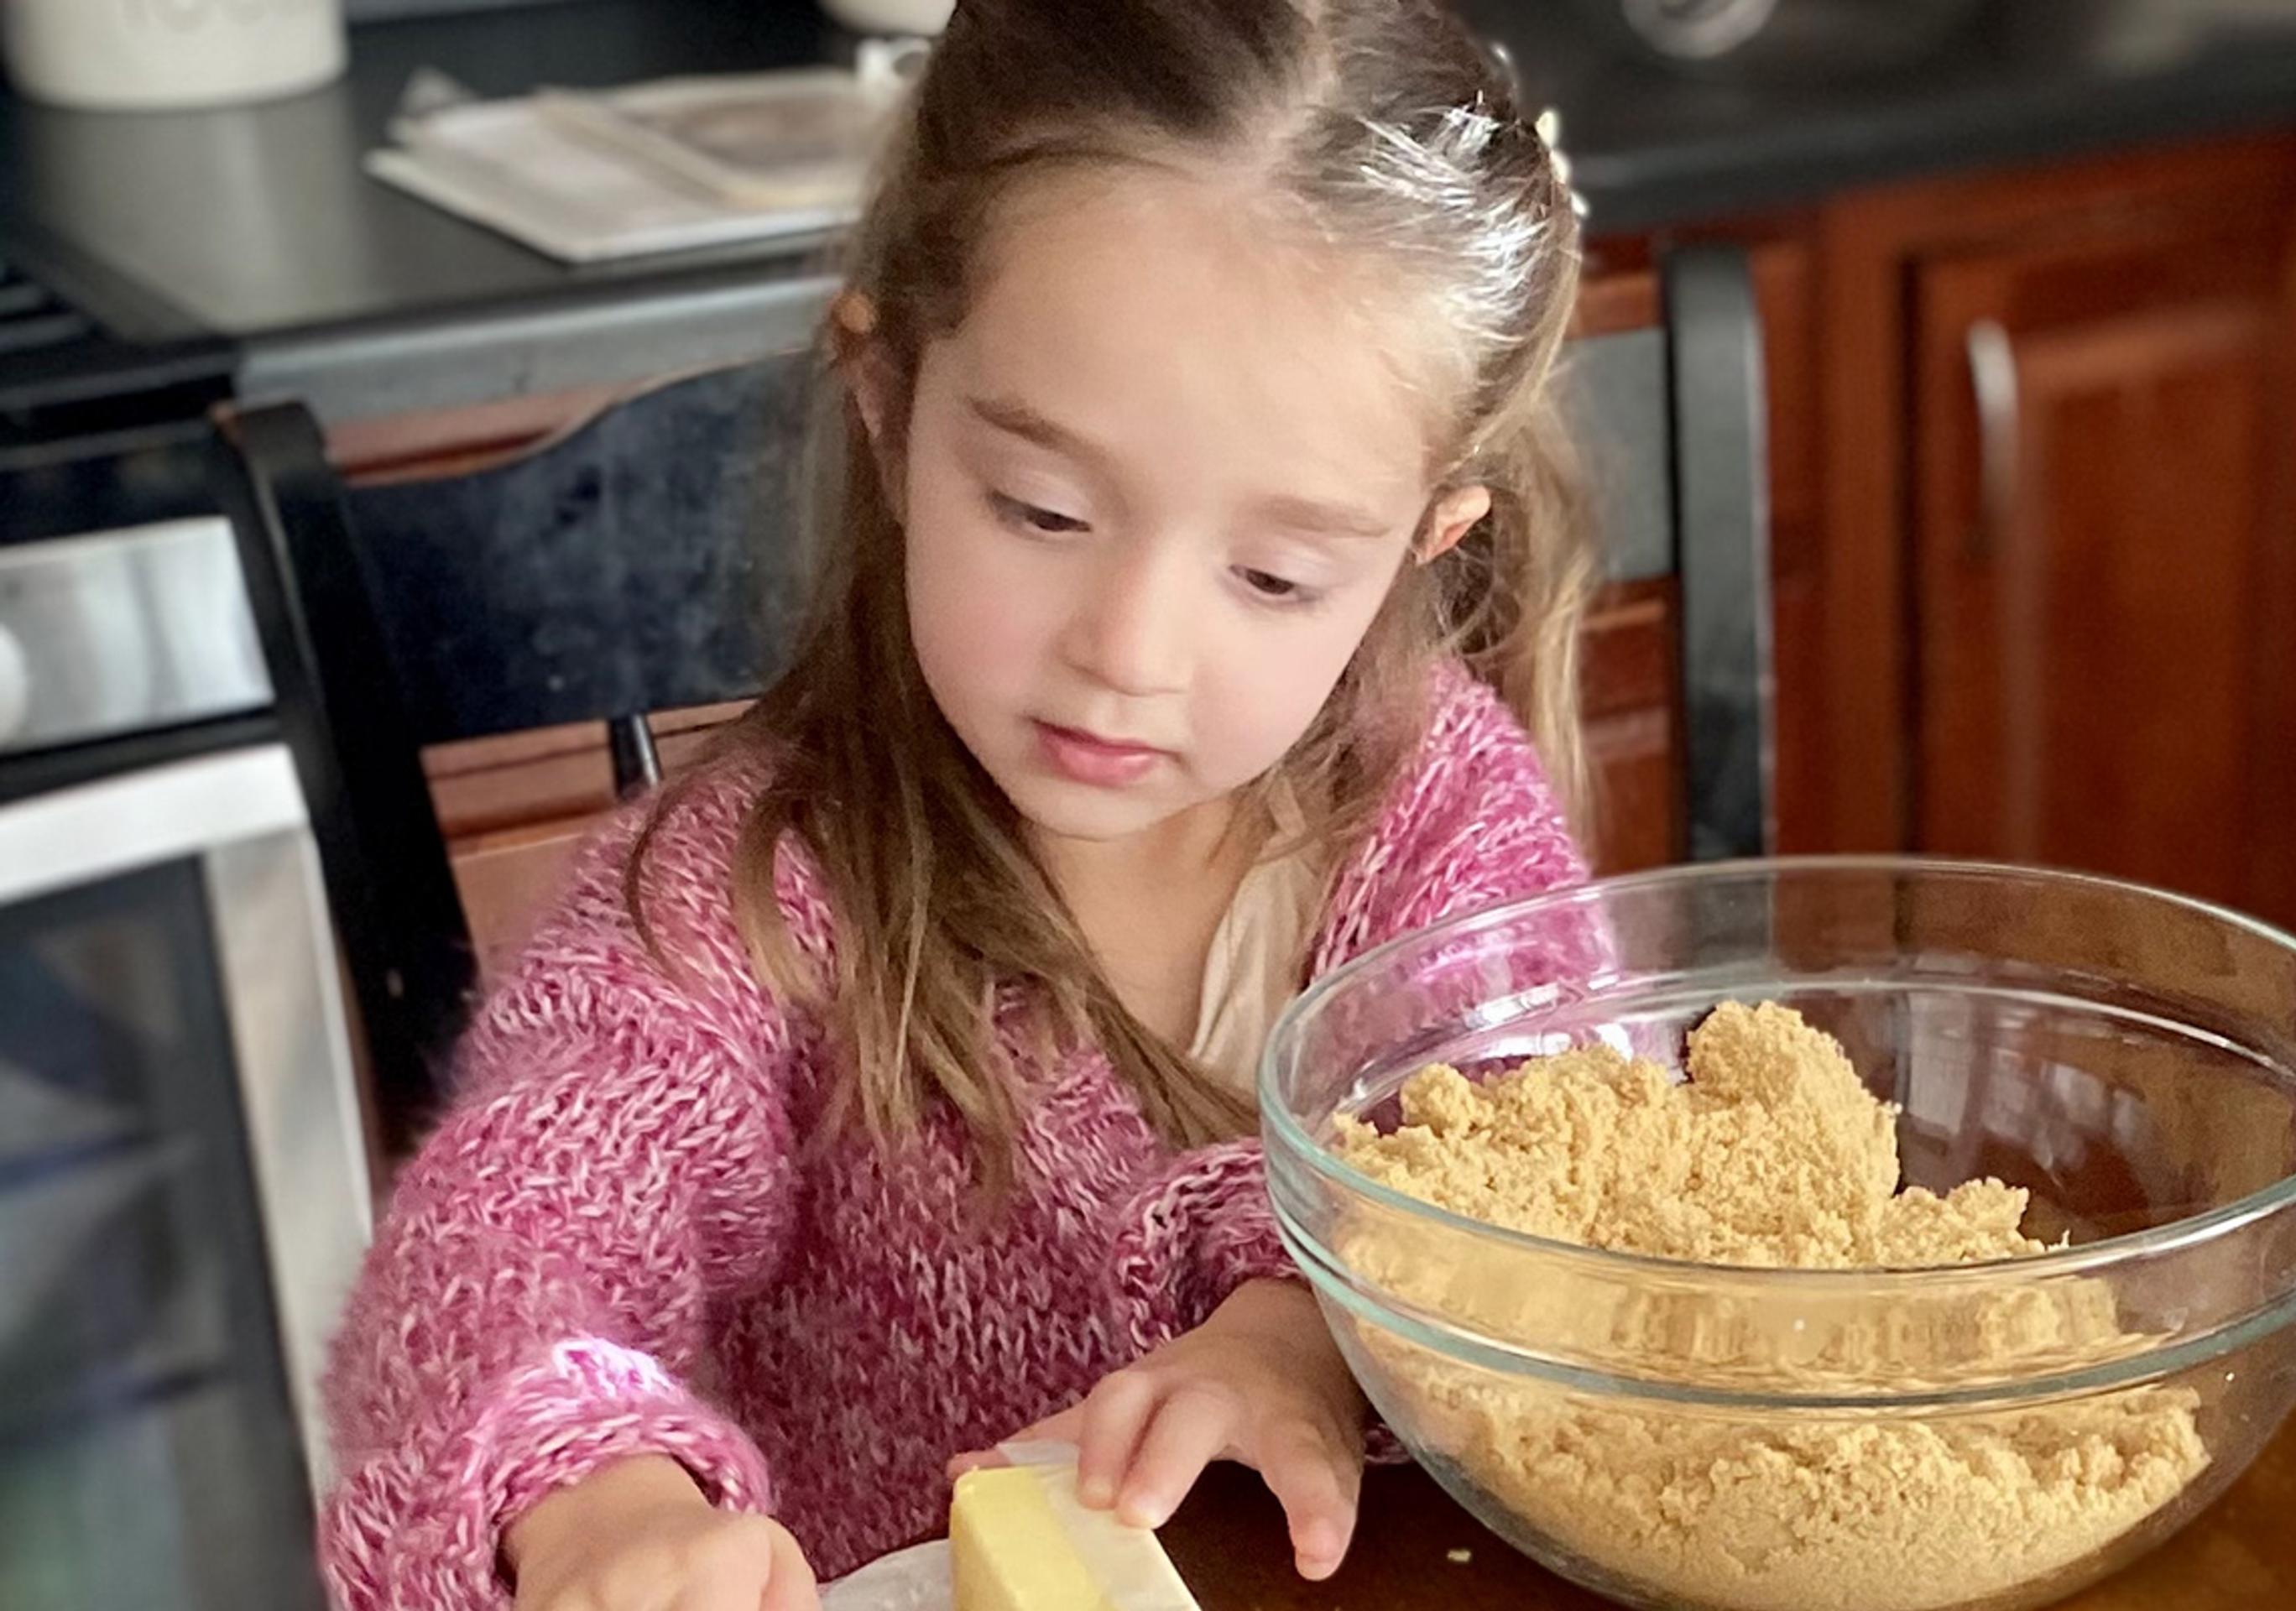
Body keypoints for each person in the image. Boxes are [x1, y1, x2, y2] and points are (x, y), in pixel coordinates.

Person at [316, 1, 1595, 1605]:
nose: (1127, 654)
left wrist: (1301, 1340)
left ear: (1421, 540)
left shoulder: (1436, 815)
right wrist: (597, 1505)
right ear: (889, 398)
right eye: (1042, 509)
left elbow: (1557, 1158)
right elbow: (512, 1240)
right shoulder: (744, 896)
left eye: (1273, 574)